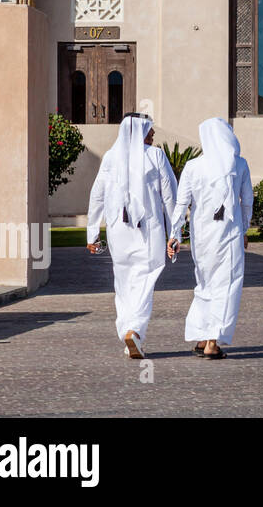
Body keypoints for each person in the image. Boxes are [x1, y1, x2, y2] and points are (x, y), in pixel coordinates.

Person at [85, 113, 177, 358]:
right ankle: (134, 330)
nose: (153, 134)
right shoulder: (155, 156)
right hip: (149, 230)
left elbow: (97, 195)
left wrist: (92, 232)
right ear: (138, 132)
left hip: (118, 231)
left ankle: (128, 332)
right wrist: (175, 231)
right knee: (145, 279)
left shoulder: (110, 158)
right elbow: (170, 197)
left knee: (124, 283)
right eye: (149, 130)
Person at [167, 117, 252, 360]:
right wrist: (244, 229)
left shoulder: (193, 166)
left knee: (204, 283)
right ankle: (212, 343)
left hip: (201, 234)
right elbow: (246, 201)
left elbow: (182, 204)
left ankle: (201, 336)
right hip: (228, 233)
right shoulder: (239, 164)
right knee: (226, 284)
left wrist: (174, 235)